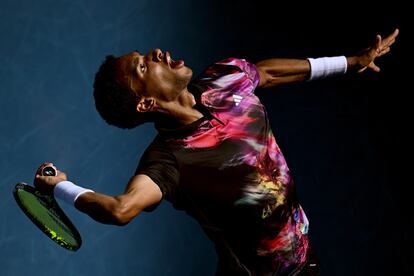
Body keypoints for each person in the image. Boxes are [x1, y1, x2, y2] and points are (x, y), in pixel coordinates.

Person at [34, 28, 399, 276]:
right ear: (145, 103)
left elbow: (267, 74)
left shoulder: (225, 78)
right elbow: (121, 209)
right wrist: (60, 187)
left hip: (305, 259)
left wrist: (352, 61)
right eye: (145, 66)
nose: (157, 52)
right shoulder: (168, 160)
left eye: (146, 54)